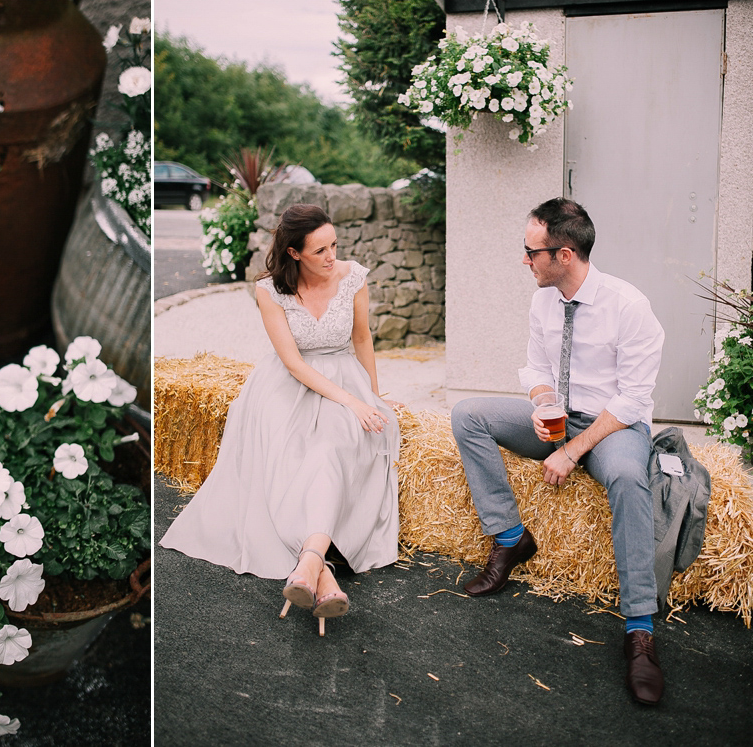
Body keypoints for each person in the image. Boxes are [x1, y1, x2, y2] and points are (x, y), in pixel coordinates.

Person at [451, 197, 666, 704]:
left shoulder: (629, 306)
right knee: (467, 414)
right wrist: (544, 402)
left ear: (564, 254)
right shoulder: (543, 298)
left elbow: (633, 400)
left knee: (631, 479)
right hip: (558, 419)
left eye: (531, 252)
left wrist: (572, 451)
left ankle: (640, 629)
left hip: (613, 428)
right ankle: (509, 537)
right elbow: (535, 368)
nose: (524, 260)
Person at [160, 203, 400, 636]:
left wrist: (372, 398)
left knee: (330, 451)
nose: (332, 257)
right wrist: (350, 400)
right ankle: (319, 568)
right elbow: (293, 364)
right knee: (289, 454)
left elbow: (362, 338)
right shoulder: (269, 290)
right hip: (287, 385)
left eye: (334, 246)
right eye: (320, 251)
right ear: (293, 254)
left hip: (345, 375)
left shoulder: (353, 278)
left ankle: (309, 563)